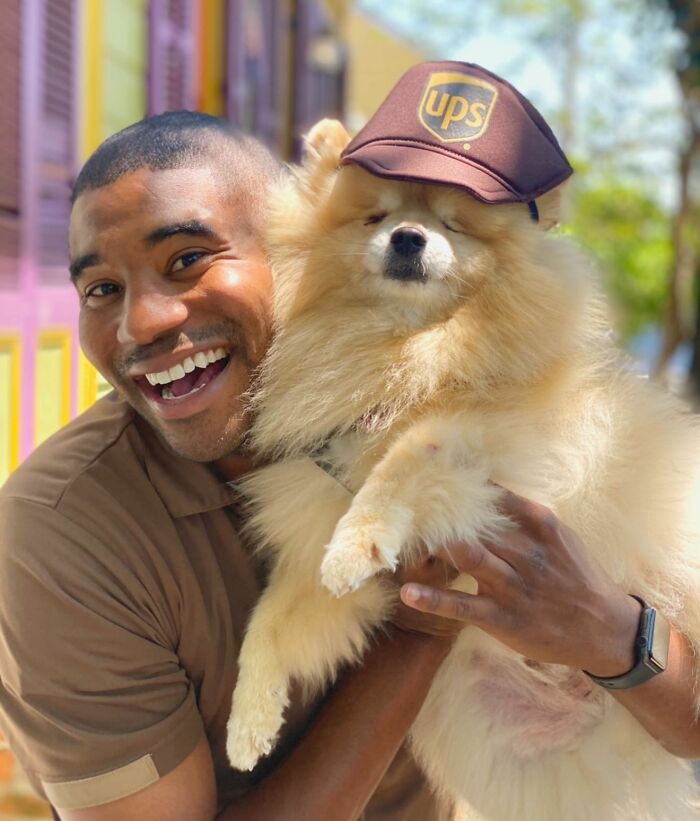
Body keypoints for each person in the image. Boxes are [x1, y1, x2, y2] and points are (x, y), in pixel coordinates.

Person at [0, 111, 698, 821]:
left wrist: (614, 634)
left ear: (288, 244)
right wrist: (420, 630)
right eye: (101, 290)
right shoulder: (61, 534)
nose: (142, 323)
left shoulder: (470, 401)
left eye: (188, 259)